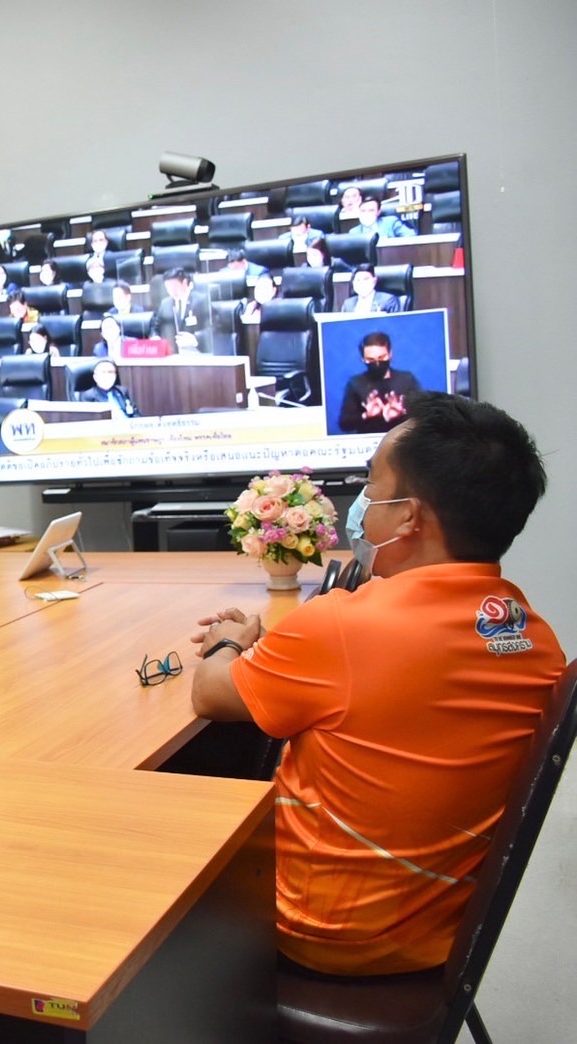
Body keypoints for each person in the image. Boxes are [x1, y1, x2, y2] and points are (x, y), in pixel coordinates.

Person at [189, 393, 565, 977]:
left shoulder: (344, 625)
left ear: (409, 516)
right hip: (438, 934)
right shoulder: (532, 635)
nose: (363, 503)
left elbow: (210, 694)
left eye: (371, 482)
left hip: (319, 933)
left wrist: (230, 642)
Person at [338, 331, 422, 433]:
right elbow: (344, 424)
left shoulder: (407, 379)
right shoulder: (355, 383)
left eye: (381, 357)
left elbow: (422, 416)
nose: (377, 363)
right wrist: (366, 415)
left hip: (401, 439)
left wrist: (402, 413)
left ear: (390, 354)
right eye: (370, 359)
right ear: (362, 359)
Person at [147, 267, 211, 353]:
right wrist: (155, 337)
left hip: (196, 353)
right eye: (167, 287)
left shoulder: (201, 301)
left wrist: (196, 339)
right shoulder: (165, 304)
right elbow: (154, 326)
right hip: (172, 354)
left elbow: (214, 328)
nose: (171, 291)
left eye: (174, 286)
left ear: (184, 283)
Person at [352, 192, 418, 238]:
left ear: (378, 212)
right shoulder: (354, 232)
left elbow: (411, 235)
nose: (366, 214)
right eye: (363, 211)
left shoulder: (391, 222)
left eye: (371, 210)